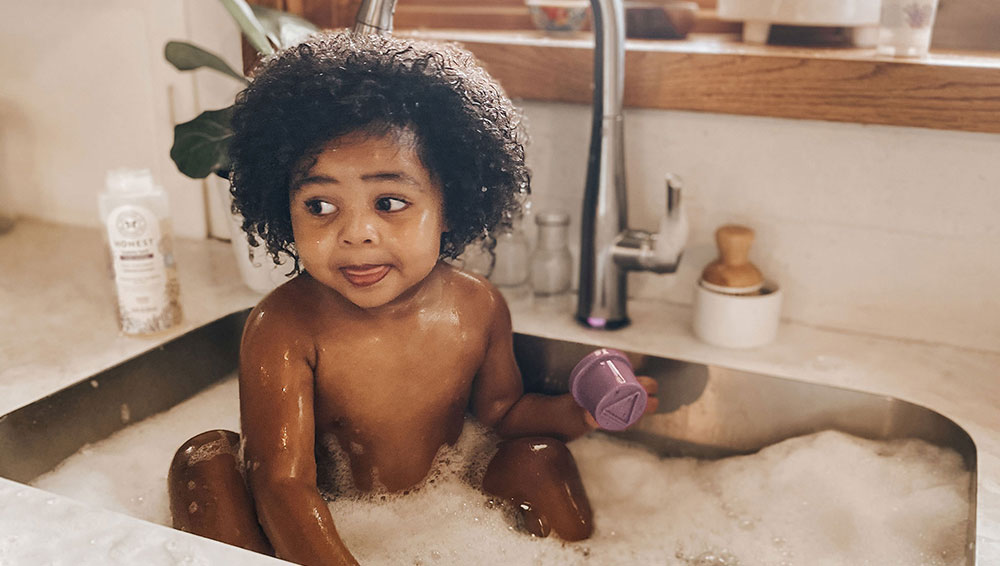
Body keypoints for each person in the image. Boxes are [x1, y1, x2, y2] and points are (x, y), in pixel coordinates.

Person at [167, 31, 658, 566]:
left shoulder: (477, 307)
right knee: (204, 462)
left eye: (390, 201)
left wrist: (578, 413)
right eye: (320, 206)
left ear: (450, 205)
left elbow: (504, 412)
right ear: (283, 209)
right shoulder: (284, 326)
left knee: (541, 459)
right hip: (321, 521)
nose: (356, 233)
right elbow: (282, 485)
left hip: (444, 501)